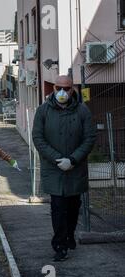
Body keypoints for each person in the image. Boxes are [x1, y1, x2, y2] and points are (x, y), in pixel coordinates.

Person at [32, 75, 96, 262]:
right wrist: (57, 158)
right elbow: (38, 138)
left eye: (66, 88)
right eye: (58, 87)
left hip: (75, 169)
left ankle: (69, 235)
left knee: (73, 206)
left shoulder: (83, 111)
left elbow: (89, 138)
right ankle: (59, 245)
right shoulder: (43, 111)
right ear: (53, 88)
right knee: (58, 208)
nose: (62, 92)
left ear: (72, 89)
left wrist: (73, 159)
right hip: (53, 169)